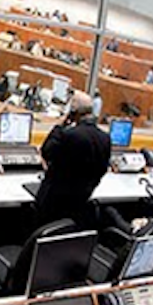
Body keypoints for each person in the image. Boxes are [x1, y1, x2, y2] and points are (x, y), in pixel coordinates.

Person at [35, 91, 111, 227]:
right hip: (78, 205)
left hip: (51, 205)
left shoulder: (69, 135)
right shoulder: (105, 138)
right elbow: (103, 169)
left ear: (73, 111)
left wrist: (60, 125)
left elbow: (46, 152)